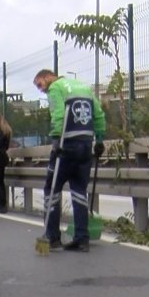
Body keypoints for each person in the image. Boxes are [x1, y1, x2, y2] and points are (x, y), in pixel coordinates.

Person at [33, 69, 106, 252]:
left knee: (52, 190)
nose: (41, 89)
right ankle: (82, 238)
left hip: (67, 144)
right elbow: (98, 114)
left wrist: (56, 138)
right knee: (79, 191)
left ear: (47, 77)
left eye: (40, 84)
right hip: (85, 145)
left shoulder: (56, 87)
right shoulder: (83, 87)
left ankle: (52, 237)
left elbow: (58, 113)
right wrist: (99, 138)